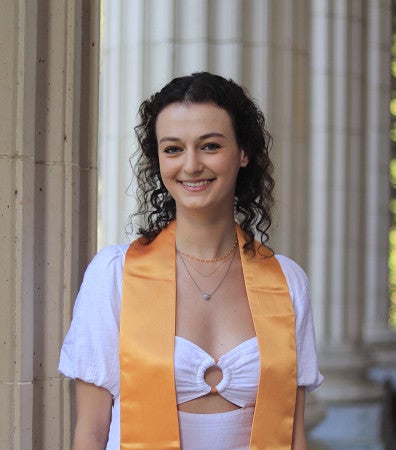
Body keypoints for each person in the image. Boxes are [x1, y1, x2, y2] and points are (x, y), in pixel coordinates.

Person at [59, 72, 323, 450]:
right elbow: (89, 432)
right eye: (173, 149)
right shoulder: (115, 276)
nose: (191, 165)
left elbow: (294, 434)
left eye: (210, 145)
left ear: (244, 152)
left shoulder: (286, 281)